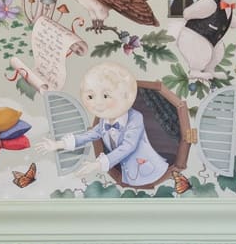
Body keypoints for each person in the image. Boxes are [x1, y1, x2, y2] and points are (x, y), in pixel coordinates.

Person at [40, 62, 170, 187]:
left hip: (150, 172)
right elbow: (89, 135)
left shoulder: (135, 118)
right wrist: (58, 144)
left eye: (105, 96)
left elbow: (128, 146)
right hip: (129, 175)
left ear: (126, 96)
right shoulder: (104, 121)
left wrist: (97, 165)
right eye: (91, 97)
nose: (97, 103)